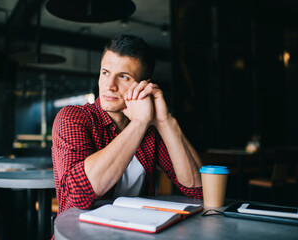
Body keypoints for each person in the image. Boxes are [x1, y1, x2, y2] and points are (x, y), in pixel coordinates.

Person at [52, 34, 203, 214]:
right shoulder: (74, 118)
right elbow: (78, 194)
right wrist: (138, 123)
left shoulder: (151, 130)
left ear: (143, 85)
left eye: (123, 77)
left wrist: (165, 121)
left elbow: (197, 189)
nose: (110, 85)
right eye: (105, 72)